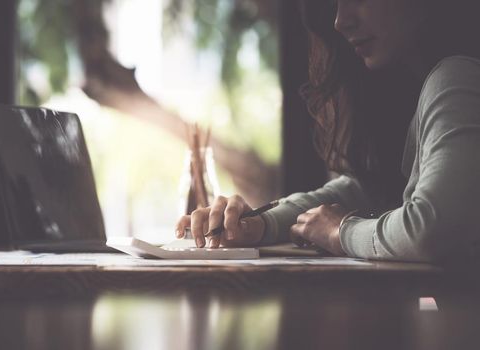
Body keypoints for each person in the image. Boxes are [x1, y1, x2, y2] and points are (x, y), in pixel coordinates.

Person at [175, 0, 480, 263]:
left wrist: (340, 231)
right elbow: (367, 189)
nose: (339, 20)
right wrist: (261, 224)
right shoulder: (423, 90)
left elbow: (428, 231)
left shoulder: (457, 78)